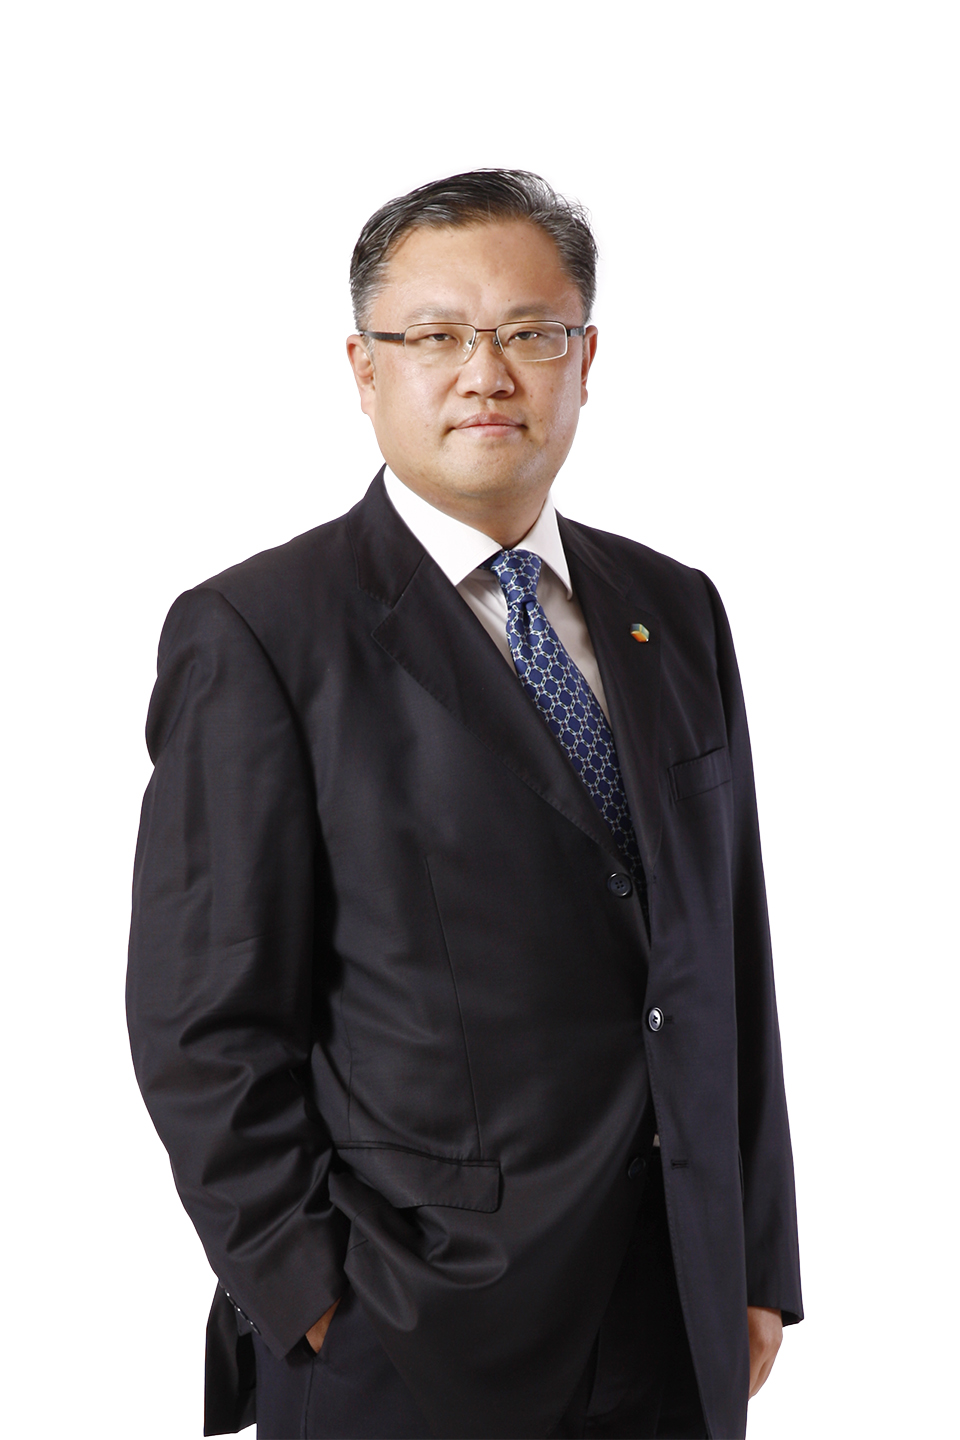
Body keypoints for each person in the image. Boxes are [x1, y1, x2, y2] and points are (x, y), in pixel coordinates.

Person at [127, 169, 802, 1440]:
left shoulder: (676, 609)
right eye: (436, 335)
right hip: (409, 1333)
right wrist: (312, 1298)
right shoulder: (261, 633)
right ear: (364, 367)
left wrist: (755, 1256)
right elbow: (201, 1022)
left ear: (585, 359)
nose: (486, 374)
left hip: (676, 1307)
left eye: (529, 333)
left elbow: (728, 950)